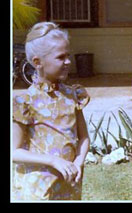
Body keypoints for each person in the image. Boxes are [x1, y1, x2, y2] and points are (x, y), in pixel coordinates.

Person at [12, 22, 90, 200]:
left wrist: (78, 161)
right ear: (37, 62)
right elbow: (14, 152)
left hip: (69, 181)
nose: (68, 61)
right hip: (37, 188)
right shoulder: (25, 102)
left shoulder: (72, 95)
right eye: (61, 57)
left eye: (68, 55)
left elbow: (84, 136)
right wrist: (53, 160)